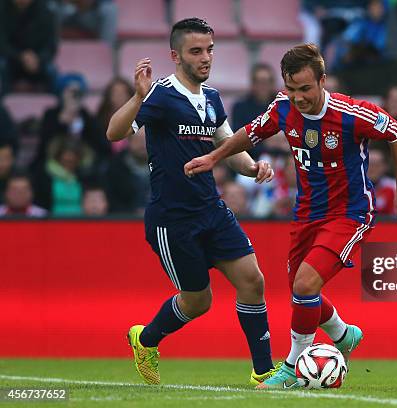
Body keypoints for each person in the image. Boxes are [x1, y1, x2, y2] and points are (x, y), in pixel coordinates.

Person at [184, 43, 397, 389]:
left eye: (305, 88)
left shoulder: (352, 113)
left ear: (322, 80)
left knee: (306, 285)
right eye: (292, 89)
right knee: (300, 291)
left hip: (349, 212)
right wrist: (215, 158)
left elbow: (396, 133)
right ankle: (343, 334)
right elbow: (250, 132)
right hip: (307, 213)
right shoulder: (282, 108)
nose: (298, 97)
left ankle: (292, 368)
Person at [105, 18, 277, 386]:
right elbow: (114, 133)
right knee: (199, 302)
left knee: (253, 280)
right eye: (196, 51)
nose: (205, 58)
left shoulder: (213, 98)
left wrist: (254, 167)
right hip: (173, 219)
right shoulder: (161, 96)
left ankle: (264, 372)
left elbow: (228, 146)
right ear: (176, 56)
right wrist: (137, 96)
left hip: (211, 210)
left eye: (210, 50)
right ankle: (145, 339)